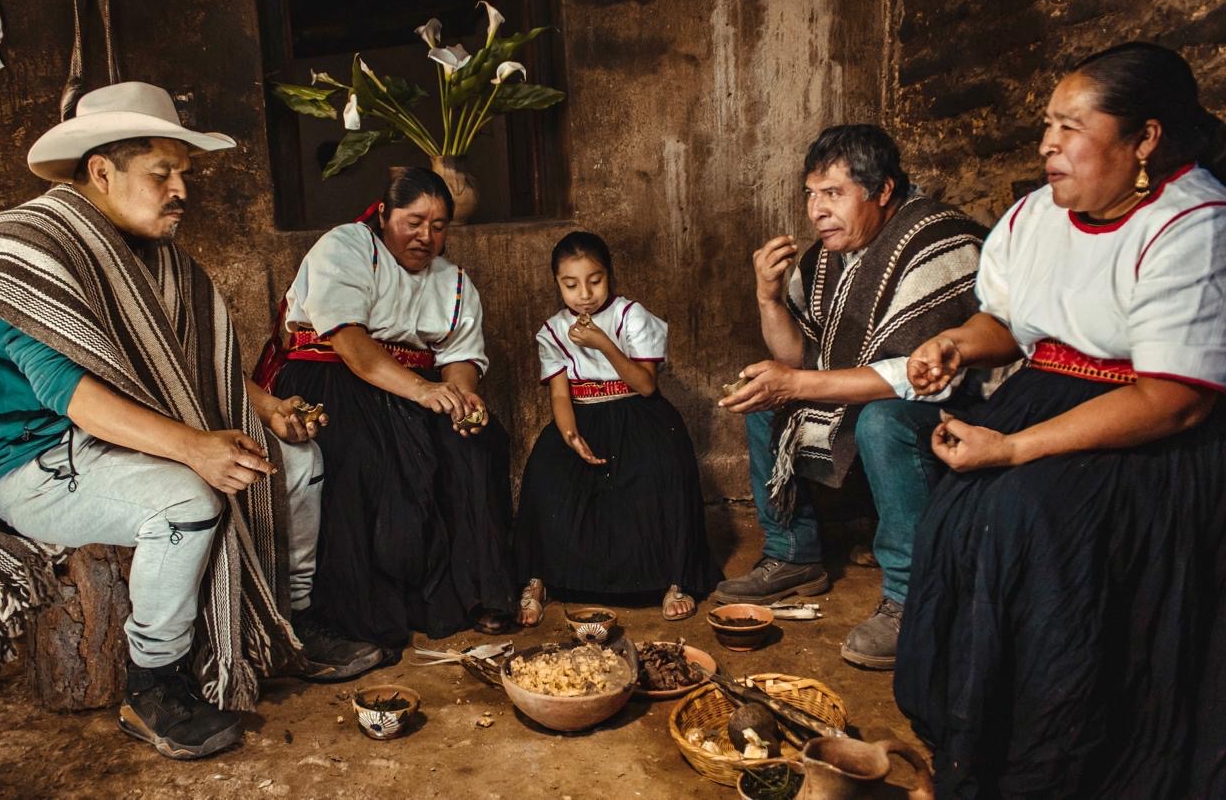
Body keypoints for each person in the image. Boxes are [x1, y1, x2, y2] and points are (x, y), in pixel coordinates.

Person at [0, 82, 380, 761]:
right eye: (162, 173)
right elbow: (75, 394)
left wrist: (268, 410)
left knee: (295, 464)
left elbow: (188, 368)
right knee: (188, 499)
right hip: (35, 463)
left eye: (184, 173)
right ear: (101, 172)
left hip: (118, 441)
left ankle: (288, 627)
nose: (182, 189)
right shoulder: (30, 257)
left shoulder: (150, 256)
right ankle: (153, 684)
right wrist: (196, 451)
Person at [895, 42, 1226, 797]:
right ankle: (974, 743)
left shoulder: (1194, 224)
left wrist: (1011, 449)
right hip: (1042, 401)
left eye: (1071, 126)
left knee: (1028, 520)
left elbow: (1176, 398)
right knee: (957, 515)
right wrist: (954, 343)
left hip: (1142, 432)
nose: (1047, 142)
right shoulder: (1036, 215)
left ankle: (1055, 760)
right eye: (1048, 123)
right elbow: (1009, 323)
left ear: (1143, 139)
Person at [718, 124, 987, 669]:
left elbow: (912, 374)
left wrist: (796, 383)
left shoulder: (938, 240)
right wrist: (768, 297)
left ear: (882, 190)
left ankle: (911, 597)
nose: (816, 210)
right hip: (871, 386)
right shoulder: (825, 258)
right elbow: (795, 358)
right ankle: (792, 552)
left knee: (882, 422)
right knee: (763, 400)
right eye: (810, 194)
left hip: (956, 399)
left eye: (833, 194)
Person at [254, 167, 515, 649]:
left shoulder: (453, 280)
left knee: (478, 442)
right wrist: (421, 391)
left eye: (438, 226)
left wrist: (461, 395)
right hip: (331, 376)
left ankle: (477, 593)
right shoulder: (349, 246)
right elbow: (351, 344)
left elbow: (459, 356)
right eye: (413, 221)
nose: (425, 236)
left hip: (406, 388)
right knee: (363, 454)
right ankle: (354, 614)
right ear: (382, 214)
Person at [513, 232, 721, 624]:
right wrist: (570, 436)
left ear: (610, 275)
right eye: (570, 284)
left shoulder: (631, 315)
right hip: (582, 414)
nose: (584, 293)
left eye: (595, 279)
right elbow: (560, 395)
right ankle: (538, 578)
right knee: (545, 475)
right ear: (556, 282)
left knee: (660, 472)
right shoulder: (553, 330)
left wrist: (604, 343)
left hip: (638, 415)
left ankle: (675, 580)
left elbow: (645, 385)